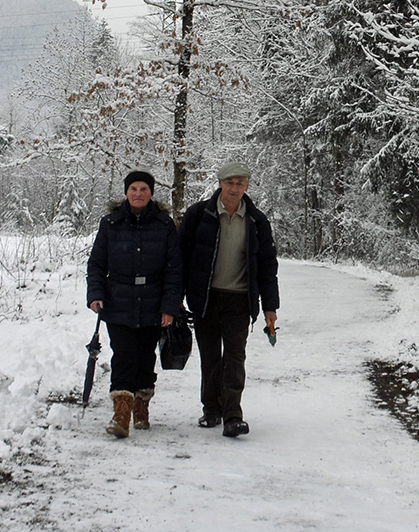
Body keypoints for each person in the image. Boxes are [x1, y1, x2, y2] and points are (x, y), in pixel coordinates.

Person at [180, 160, 279, 438]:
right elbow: (181, 257)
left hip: (239, 299)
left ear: (246, 186)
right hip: (206, 298)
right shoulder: (199, 215)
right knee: (210, 356)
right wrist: (176, 297)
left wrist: (270, 306)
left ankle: (233, 415)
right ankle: (211, 408)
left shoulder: (256, 220)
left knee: (235, 356)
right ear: (220, 183)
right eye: (229, 183)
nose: (234, 188)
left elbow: (267, 266)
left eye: (240, 183)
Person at [87, 170, 183, 438]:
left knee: (145, 357)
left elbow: (174, 269)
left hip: (153, 302)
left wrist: (170, 306)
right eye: (133, 189)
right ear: (126, 192)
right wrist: (95, 294)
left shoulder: (164, 225)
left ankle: (141, 406)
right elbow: (97, 264)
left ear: (151, 193)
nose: (138, 194)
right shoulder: (111, 224)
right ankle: (121, 414)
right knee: (123, 356)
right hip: (118, 301)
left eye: (143, 189)